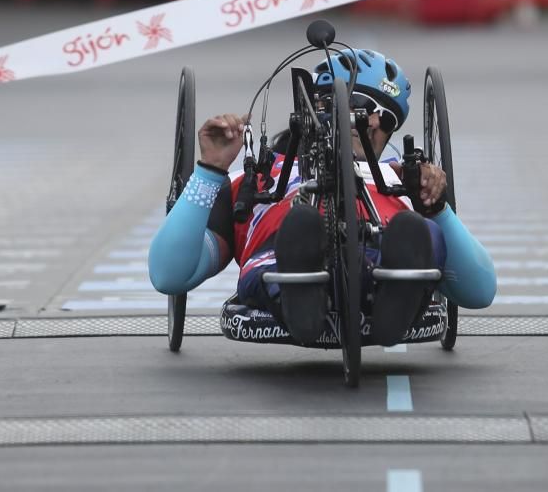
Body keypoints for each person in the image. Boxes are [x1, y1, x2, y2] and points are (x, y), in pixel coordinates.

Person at [149, 48, 495, 346]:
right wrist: (210, 171)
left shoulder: (410, 182)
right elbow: (168, 275)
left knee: (416, 232)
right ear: (319, 102)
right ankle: (301, 297)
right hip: (280, 262)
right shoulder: (253, 180)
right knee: (300, 226)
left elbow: (480, 292)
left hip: (382, 262)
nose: (373, 121)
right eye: (362, 105)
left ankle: (394, 298)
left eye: (387, 118)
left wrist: (437, 209)